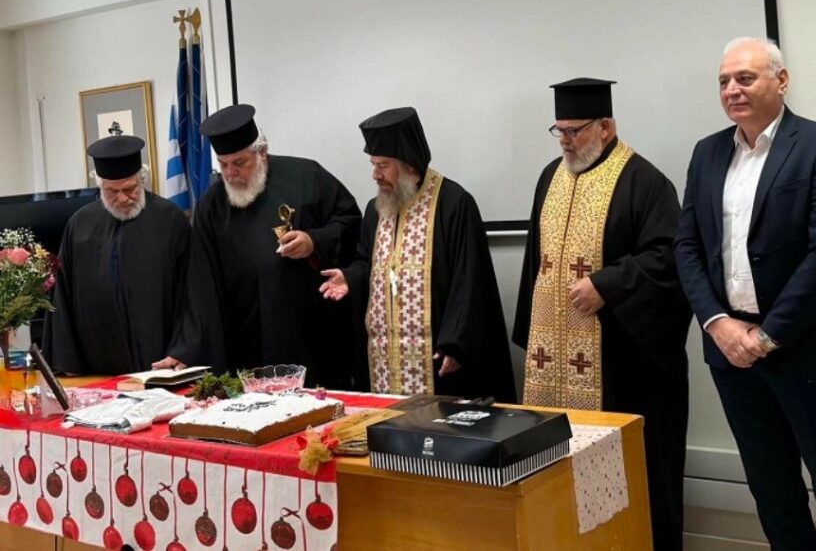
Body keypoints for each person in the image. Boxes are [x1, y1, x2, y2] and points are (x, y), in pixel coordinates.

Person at [674, 37, 816, 550]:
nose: (732, 89)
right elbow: (688, 247)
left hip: (811, 348)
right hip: (732, 353)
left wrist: (767, 336)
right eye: (724, 81)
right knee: (772, 490)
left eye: (745, 78)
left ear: (781, 81)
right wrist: (717, 323)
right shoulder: (706, 153)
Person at [514, 78, 691, 551]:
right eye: (559, 130)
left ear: (605, 127)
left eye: (574, 130)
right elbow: (536, 262)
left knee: (636, 484)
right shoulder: (550, 177)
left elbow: (669, 258)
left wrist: (607, 286)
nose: (565, 141)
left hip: (623, 369)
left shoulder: (645, 181)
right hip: (554, 364)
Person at [319, 107, 516, 402]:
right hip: (385, 361)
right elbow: (368, 262)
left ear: (409, 165)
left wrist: (456, 342)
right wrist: (351, 277)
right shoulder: (377, 210)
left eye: (383, 165)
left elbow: (470, 281)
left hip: (438, 360)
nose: (375, 174)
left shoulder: (453, 204)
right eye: (373, 164)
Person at [186, 104, 361, 384]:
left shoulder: (307, 176)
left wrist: (313, 241)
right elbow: (202, 285)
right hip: (246, 344)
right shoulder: (211, 206)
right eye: (223, 164)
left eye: (239, 163)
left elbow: (350, 222)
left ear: (262, 152)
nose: (230, 173)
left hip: (310, 335)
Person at [43, 135, 193, 374]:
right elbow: (63, 297)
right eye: (112, 191)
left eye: (130, 189)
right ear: (100, 186)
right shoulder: (80, 224)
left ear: (142, 179)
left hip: (160, 360)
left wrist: (183, 349)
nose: (122, 198)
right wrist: (67, 362)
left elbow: (192, 292)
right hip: (97, 365)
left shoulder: (170, 219)